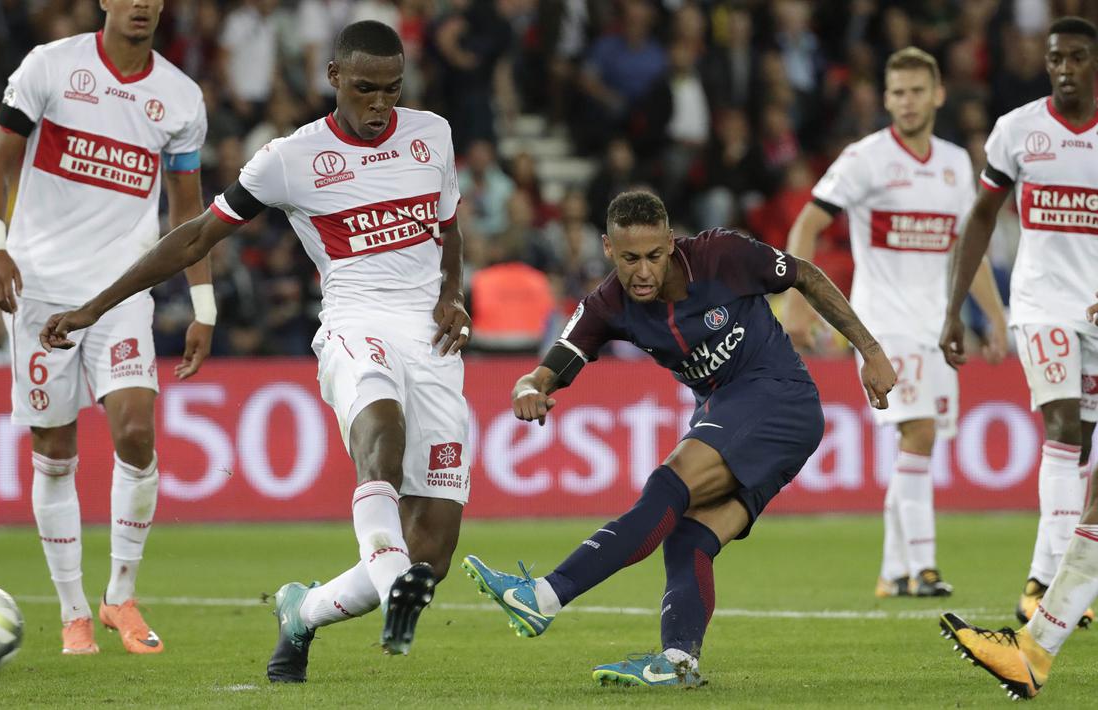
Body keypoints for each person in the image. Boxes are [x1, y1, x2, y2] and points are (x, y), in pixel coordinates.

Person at [38, 21, 472, 682]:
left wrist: (453, 292)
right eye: (363, 89)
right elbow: (193, 238)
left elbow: (448, 227)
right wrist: (94, 307)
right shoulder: (288, 159)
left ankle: (304, 612)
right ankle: (393, 591)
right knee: (378, 432)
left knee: (431, 555)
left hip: (431, 340)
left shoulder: (431, 133)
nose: (379, 104)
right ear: (332, 78)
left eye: (390, 89)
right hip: (356, 324)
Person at [463, 190, 896, 687]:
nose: (642, 271)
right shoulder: (608, 303)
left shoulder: (721, 255)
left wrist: (870, 351)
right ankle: (678, 662)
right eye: (629, 259)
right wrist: (527, 388)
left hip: (778, 398)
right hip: (729, 412)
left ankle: (546, 595)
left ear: (671, 243)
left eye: (653, 256)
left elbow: (808, 276)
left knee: (669, 483)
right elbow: (554, 363)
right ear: (607, 248)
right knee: (688, 534)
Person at [0, 0, 215, 656]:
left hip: (123, 291)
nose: (139, 4)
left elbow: (189, 213)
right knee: (55, 452)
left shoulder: (180, 97)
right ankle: (73, 609)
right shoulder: (50, 67)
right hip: (39, 289)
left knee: (136, 432)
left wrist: (205, 307)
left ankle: (119, 597)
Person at [782, 47, 1008, 599]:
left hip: (937, 328)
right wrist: (796, 301)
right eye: (896, 92)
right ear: (886, 99)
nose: (906, 102)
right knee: (920, 431)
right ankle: (924, 568)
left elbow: (966, 249)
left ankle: (891, 570)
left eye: (915, 91)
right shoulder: (865, 158)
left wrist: (996, 317)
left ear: (937, 95)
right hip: (881, 325)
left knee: (919, 443)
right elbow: (808, 223)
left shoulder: (956, 163)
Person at [938, 16, 1098, 700]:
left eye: (1076, 58)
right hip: (1045, 305)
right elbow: (979, 215)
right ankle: (1038, 626)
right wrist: (955, 310)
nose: (1063, 69)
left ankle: (1037, 629)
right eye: (1053, 57)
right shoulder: (1016, 130)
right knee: (1067, 430)